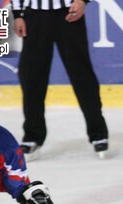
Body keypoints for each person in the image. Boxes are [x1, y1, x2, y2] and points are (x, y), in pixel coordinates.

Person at [11, 0, 108, 159]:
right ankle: (32, 136)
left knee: (82, 74)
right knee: (32, 77)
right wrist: (17, 15)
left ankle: (98, 133)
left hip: (68, 12)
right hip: (34, 14)